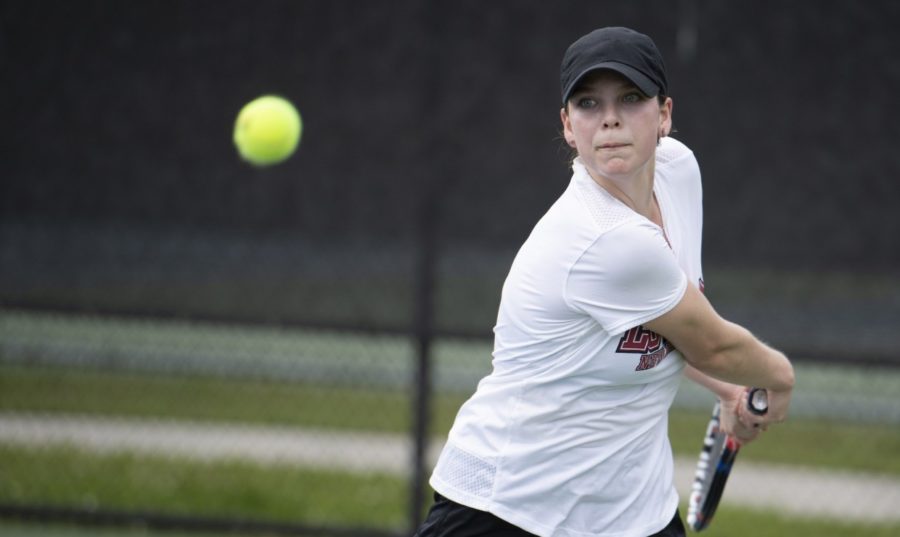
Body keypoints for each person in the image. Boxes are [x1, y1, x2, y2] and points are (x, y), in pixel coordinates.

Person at [414, 26, 795, 537]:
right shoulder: (604, 239)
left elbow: (669, 331)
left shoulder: (678, 172)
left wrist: (729, 391)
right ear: (568, 126)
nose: (610, 117)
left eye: (631, 98)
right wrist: (778, 376)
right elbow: (713, 344)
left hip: (631, 510)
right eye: (589, 103)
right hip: (509, 507)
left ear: (664, 114)